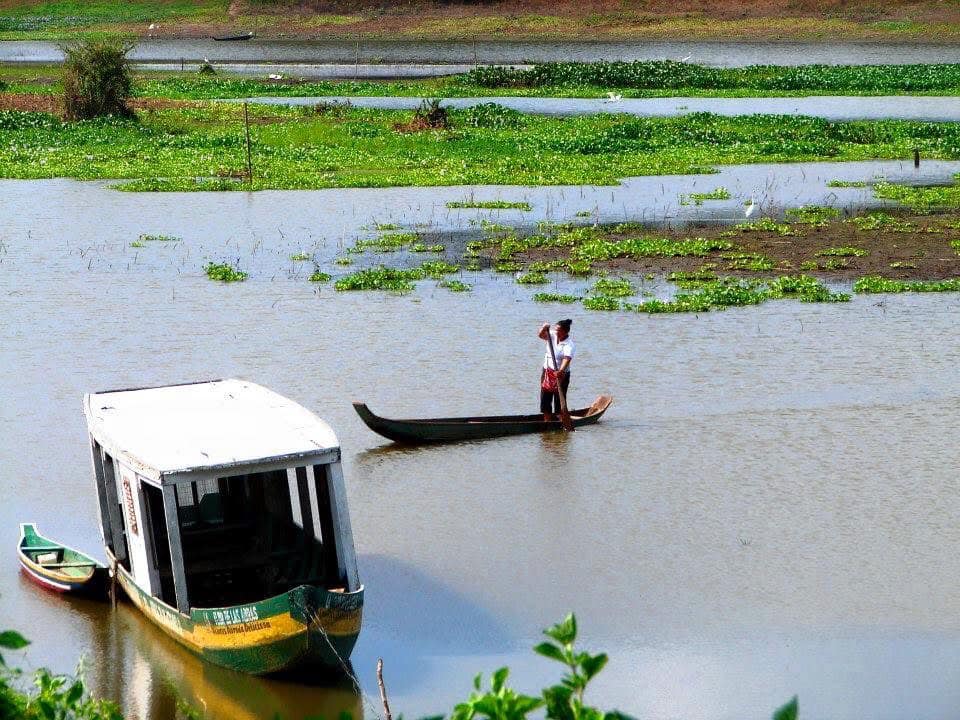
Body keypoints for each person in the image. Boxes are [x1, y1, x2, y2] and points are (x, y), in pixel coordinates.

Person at [538, 319, 574, 421]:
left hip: (561, 374)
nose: (555, 331)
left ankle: (560, 419)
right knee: (545, 397)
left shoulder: (569, 345)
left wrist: (561, 371)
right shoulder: (552, 334)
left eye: (558, 330)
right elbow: (540, 335)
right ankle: (547, 421)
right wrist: (544, 328)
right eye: (555, 329)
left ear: (565, 332)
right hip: (547, 371)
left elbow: (567, 359)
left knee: (559, 399)